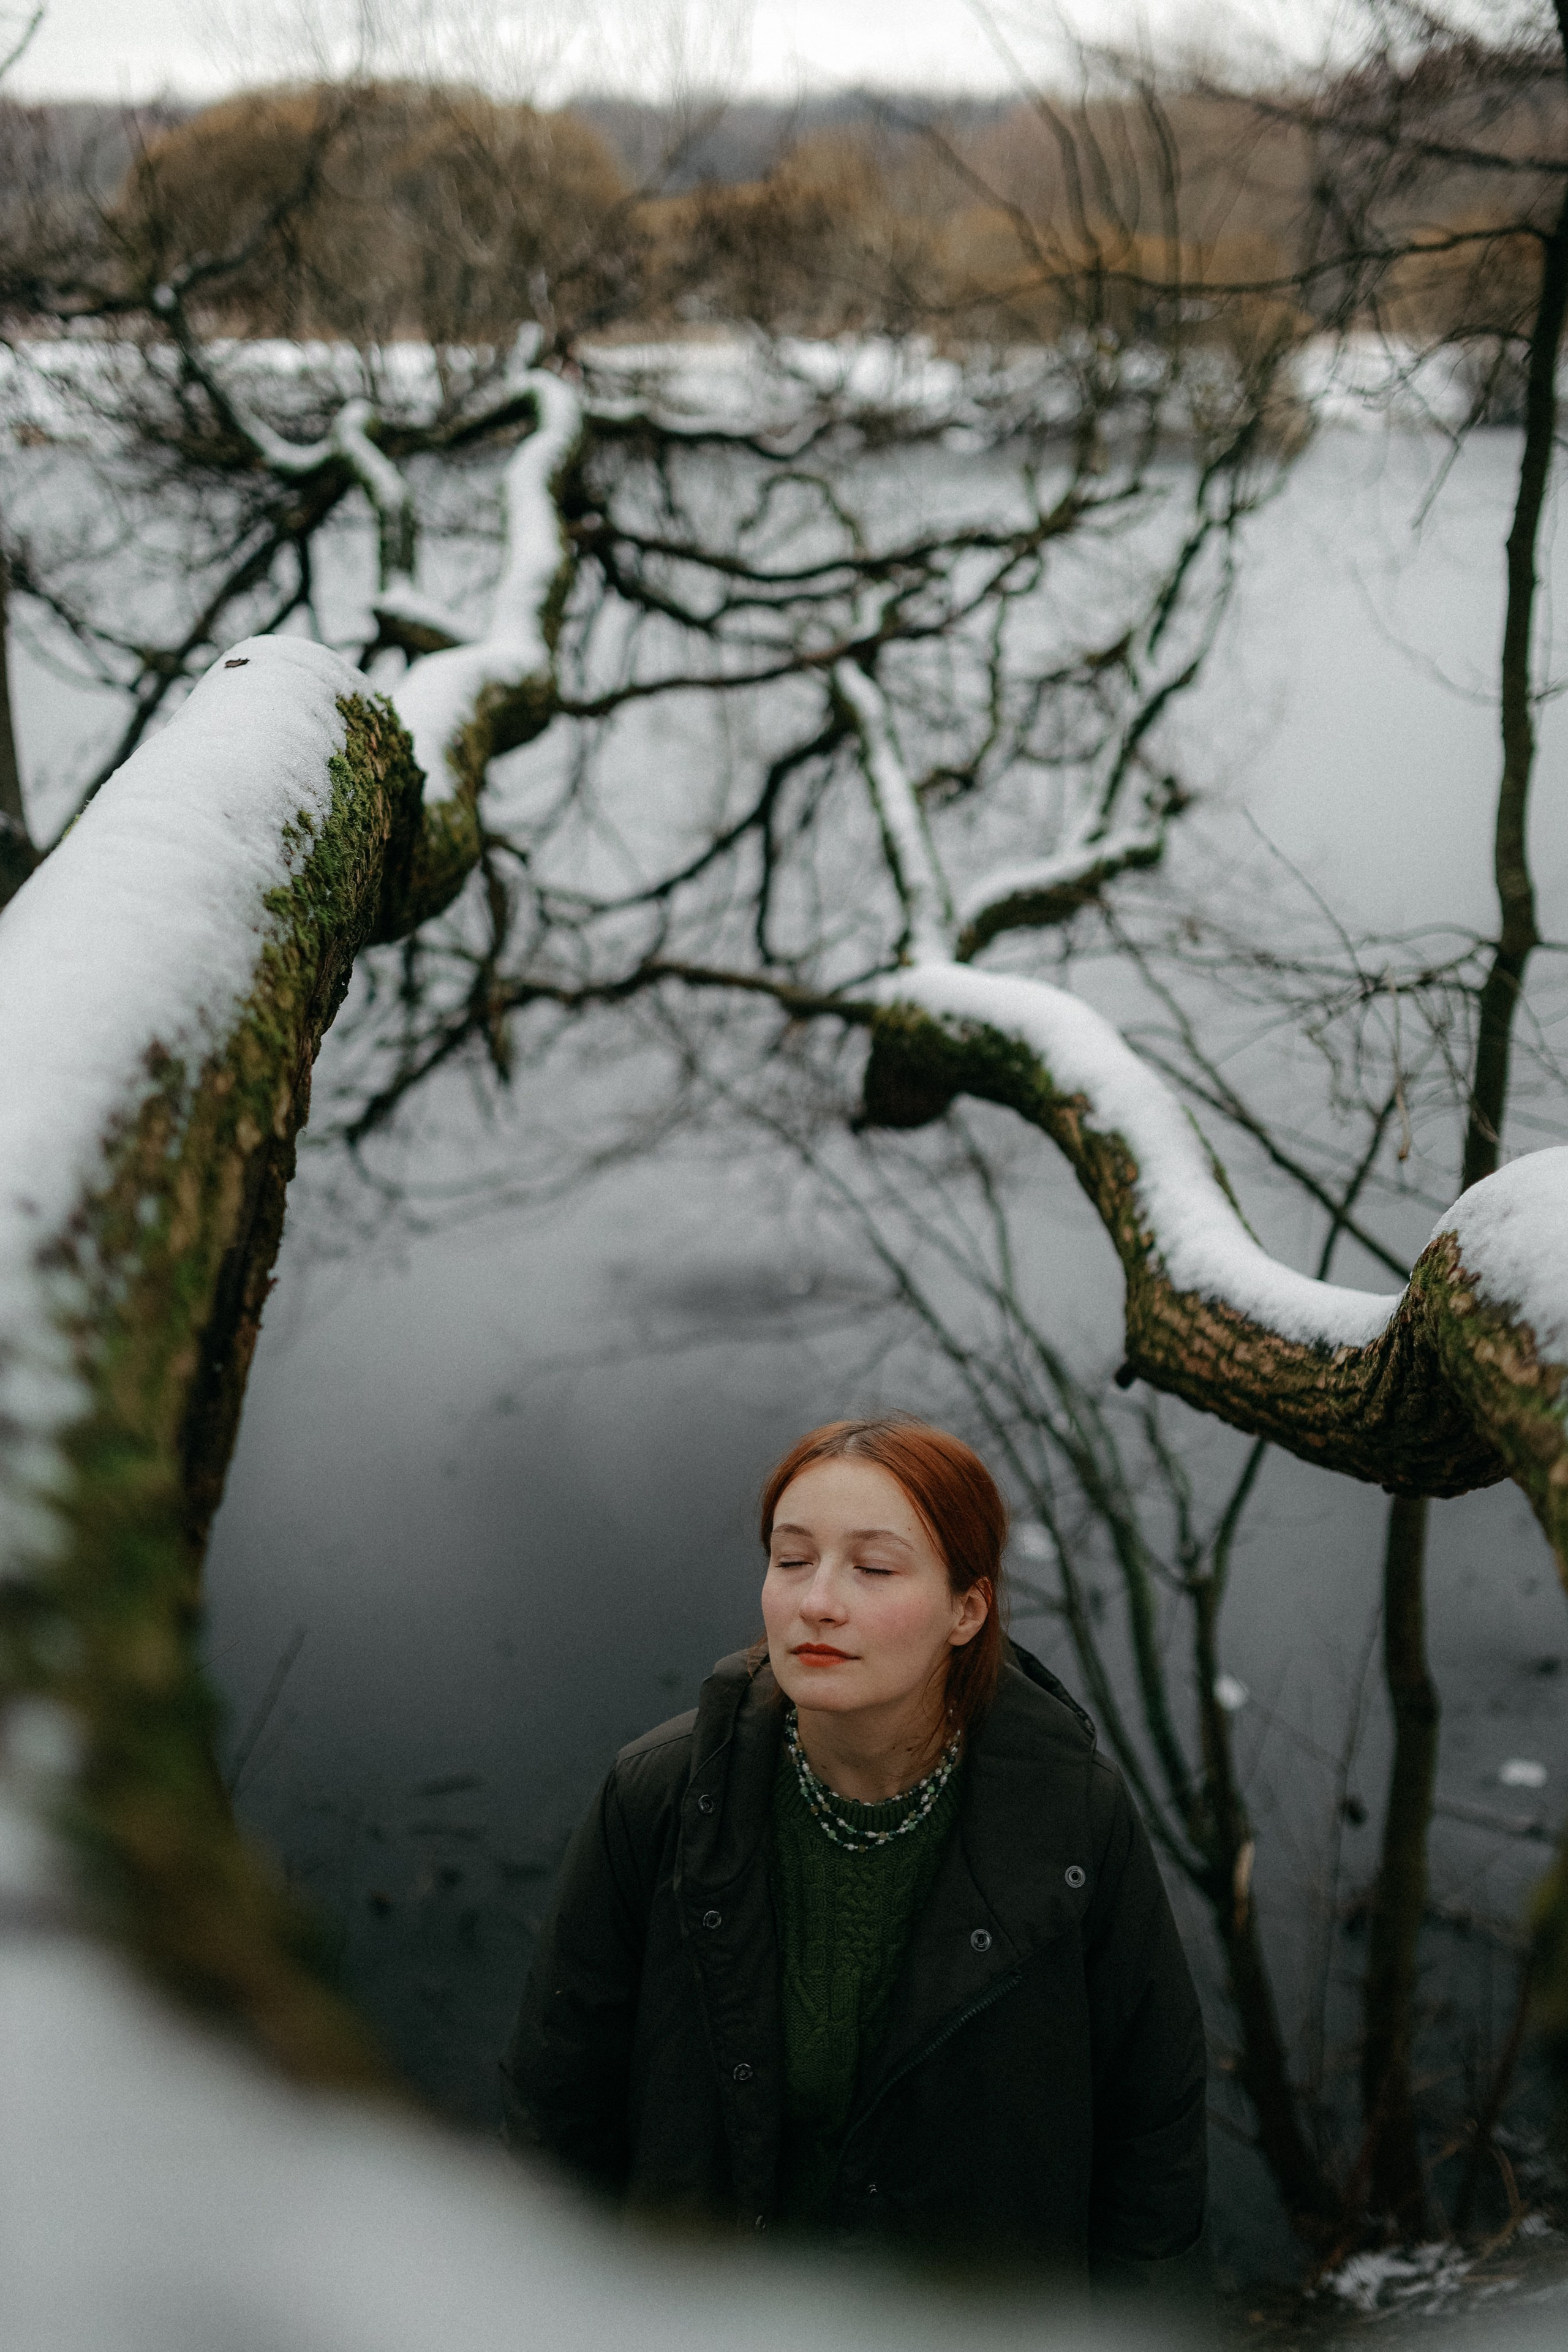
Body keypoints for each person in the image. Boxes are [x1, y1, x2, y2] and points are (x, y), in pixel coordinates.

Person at [501, 1416, 1207, 2288]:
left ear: (967, 1608)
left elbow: (1153, 2134)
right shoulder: (662, 1797)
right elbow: (558, 2110)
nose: (817, 1602)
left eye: (872, 1569)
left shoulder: (1072, 1818)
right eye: (792, 1560)